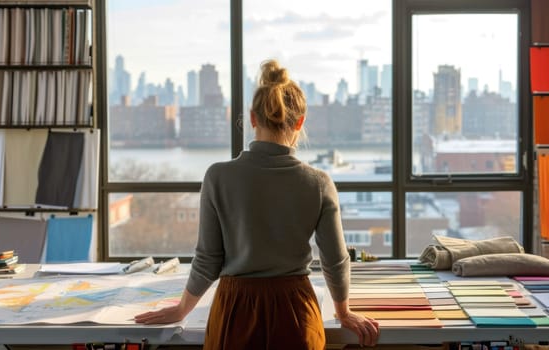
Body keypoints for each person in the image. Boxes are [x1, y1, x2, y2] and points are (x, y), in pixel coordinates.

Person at [134, 59, 380, 349]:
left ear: (252, 118)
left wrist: (181, 309)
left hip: (235, 312)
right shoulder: (318, 182)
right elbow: (335, 260)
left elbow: (208, 260)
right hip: (296, 313)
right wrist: (343, 312)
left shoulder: (218, 176)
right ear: (300, 122)